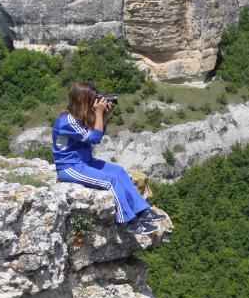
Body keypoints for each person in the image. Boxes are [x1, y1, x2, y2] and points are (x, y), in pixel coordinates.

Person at [52, 81, 165, 235]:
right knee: (110, 181)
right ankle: (129, 222)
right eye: (93, 98)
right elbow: (95, 138)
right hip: (70, 167)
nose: (96, 101)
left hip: (85, 162)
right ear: (83, 100)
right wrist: (98, 113)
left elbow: (98, 131)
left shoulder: (78, 116)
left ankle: (142, 211)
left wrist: (105, 114)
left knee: (119, 172)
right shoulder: (67, 121)